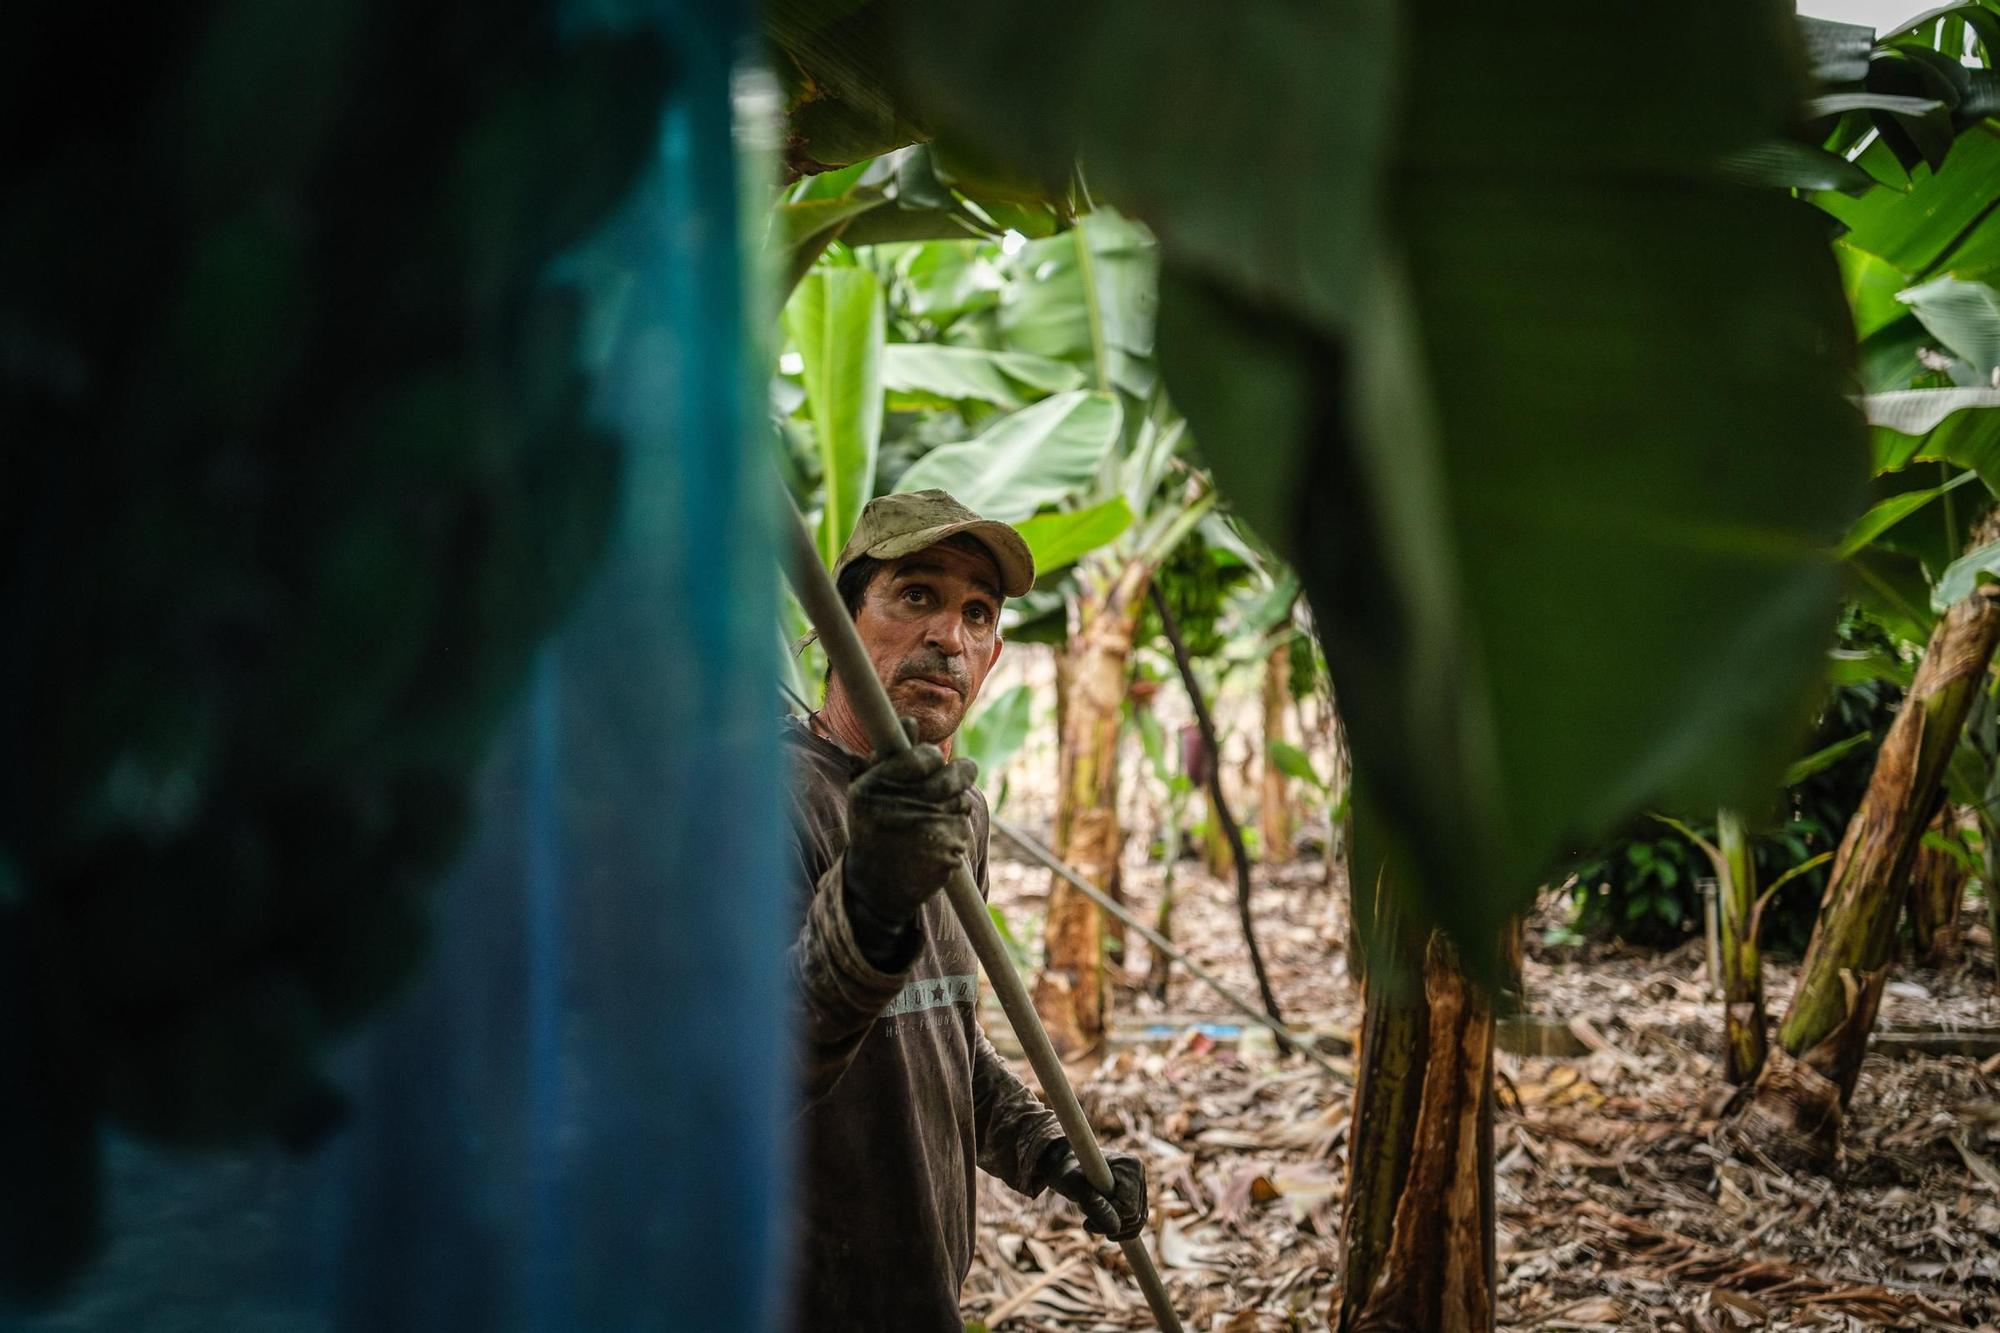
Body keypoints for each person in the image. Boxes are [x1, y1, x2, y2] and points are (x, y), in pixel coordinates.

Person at [784, 489, 1148, 1330]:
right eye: (917, 595)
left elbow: (936, 1039)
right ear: (839, 620)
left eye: (978, 613)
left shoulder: (954, 818)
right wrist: (867, 905)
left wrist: (1052, 1149)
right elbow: (754, 1068)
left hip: (921, 1293)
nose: (950, 636)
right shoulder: (771, 800)